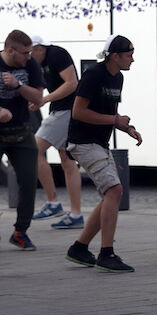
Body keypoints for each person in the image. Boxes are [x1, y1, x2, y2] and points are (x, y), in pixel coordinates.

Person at [64, 35, 142, 272]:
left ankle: (79, 248)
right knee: (114, 190)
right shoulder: (93, 75)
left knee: (110, 194)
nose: (133, 59)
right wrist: (115, 119)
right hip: (83, 142)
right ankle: (106, 253)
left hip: (98, 142)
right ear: (115, 56)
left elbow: (112, 112)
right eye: (129, 54)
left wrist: (126, 127)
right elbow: (78, 112)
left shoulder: (118, 77)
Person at [29, 35, 84, 229]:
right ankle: (76, 214)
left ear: (40, 48)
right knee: (67, 161)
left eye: (30, 52)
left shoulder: (57, 54)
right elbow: (41, 85)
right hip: (62, 111)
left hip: (65, 111)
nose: (29, 56)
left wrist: (44, 99)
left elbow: (72, 83)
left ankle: (53, 203)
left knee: (33, 149)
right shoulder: (39, 62)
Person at [0, 30, 44, 250]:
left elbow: (38, 97)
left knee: (28, 182)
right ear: (10, 50)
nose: (30, 56)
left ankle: (20, 232)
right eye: (25, 52)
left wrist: (18, 85)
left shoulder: (30, 65)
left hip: (21, 131)